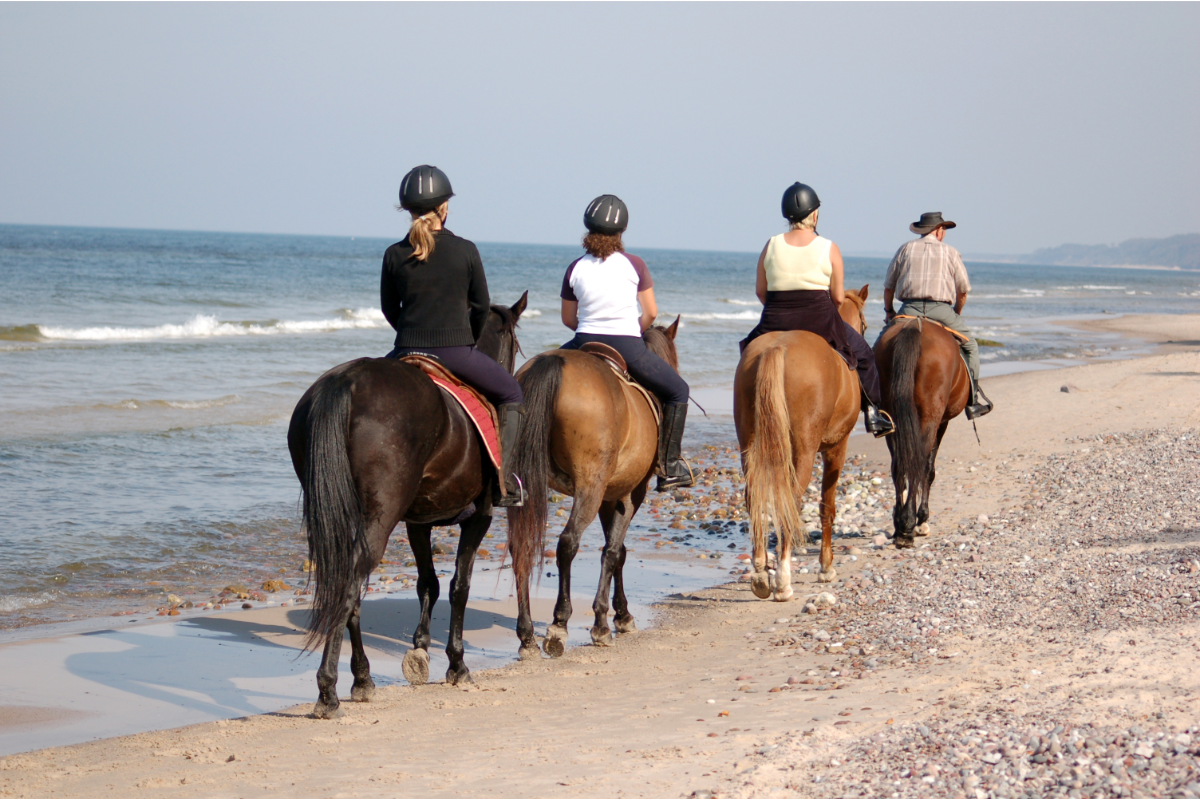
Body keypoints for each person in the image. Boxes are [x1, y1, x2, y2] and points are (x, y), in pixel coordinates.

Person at [380, 164, 526, 506]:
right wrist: (466, 342)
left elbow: (389, 309)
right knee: (512, 393)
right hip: (455, 352)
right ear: (444, 207)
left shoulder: (393, 254)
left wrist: (411, 336)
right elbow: (481, 306)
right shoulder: (466, 250)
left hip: (404, 351)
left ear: (408, 211)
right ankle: (502, 483)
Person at [558, 194, 694, 491]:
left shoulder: (575, 267)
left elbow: (568, 319)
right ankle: (670, 466)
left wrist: (588, 330)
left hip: (582, 341)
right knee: (678, 391)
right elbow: (651, 313)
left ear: (588, 229)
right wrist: (633, 330)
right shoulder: (635, 264)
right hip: (627, 344)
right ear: (621, 231)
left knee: (537, 375)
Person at [740, 183, 895, 437]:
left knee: (747, 352)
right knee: (864, 355)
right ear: (814, 214)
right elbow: (837, 297)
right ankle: (873, 413)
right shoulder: (829, 247)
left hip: (775, 318)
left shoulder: (771, 245)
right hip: (819, 319)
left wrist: (781, 309)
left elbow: (760, 291)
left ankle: (747, 409)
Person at [879, 212, 993, 419]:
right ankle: (973, 400)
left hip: (909, 309)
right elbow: (963, 290)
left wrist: (889, 311)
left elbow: (888, 287)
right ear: (938, 230)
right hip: (941, 309)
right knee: (971, 346)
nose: (945, 233)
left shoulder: (905, 248)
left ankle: (872, 402)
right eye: (944, 229)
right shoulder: (951, 252)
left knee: (879, 346)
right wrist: (956, 313)